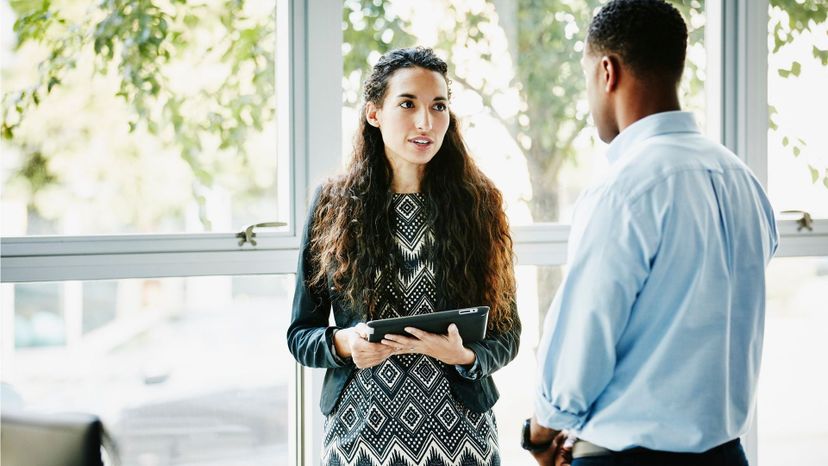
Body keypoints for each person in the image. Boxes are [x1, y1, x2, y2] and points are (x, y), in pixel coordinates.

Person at [522, 1, 779, 465]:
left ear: (606, 72)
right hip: (727, 455)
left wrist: (541, 433)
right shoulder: (743, 182)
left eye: (586, 79)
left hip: (625, 458)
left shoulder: (625, 189)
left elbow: (582, 342)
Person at [287, 46, 520, 466]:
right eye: (407, 103)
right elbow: (300, 333)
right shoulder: (333, 204)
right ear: (374, 113)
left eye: (439, 106)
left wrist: (465, 356)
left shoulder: (478, 204)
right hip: (361, 440)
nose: (426, 121)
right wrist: (344, 343)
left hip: (463, 440)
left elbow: (508, 335)